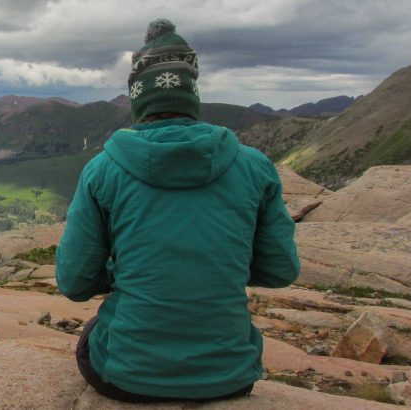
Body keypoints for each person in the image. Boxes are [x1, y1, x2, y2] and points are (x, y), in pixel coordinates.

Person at [55, 18, 300, 403]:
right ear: (192, 97)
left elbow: (74, 282)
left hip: (126, 377)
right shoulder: (255, 168)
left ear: (139, 99)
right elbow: (281, 269)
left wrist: (129, 272)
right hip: (232, 374)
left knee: (92, 334)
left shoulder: (103, 169)